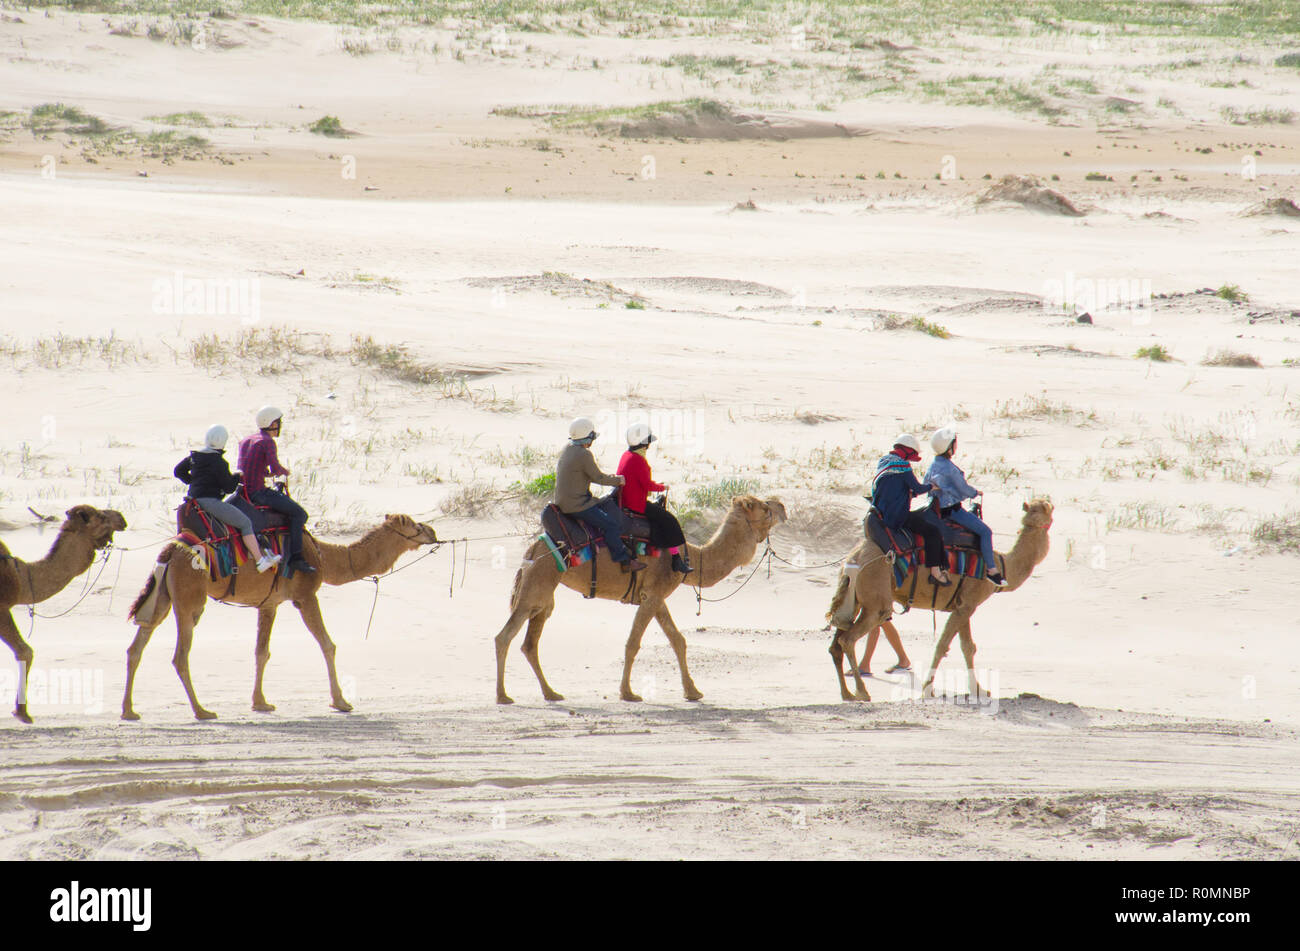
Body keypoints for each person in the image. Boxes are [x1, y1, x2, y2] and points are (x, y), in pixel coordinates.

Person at [175, 424, 280, 573]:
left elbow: (178, 471)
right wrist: (237, 476)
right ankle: (260, 560)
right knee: (245, 523)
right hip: (210, 502)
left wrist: (194, 481)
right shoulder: (219, 462)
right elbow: (229, 487)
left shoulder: (194, 456)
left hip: (193, 500)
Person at [555, 417, 645, 573]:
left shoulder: (567, 448)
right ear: (588, 438)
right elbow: (598, 478)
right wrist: (618, 480)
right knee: (611, 525)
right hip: (577, 504)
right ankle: (623, 560)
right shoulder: (584, 454)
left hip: (563, 501)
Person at [237, 405, 315, 575]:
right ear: (271, 423)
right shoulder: (267, 441)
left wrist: (267, 472)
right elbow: (275, 466)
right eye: (278, 422)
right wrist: (284, 471)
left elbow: (246, 468)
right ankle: (296, 558)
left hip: (243, 493)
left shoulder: (246, 440)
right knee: (299, 514)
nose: (279, 426)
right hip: (259, 493)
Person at [927, 428, 1007, 587]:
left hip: (934, 510)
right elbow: (962, 488)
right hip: (951, 511)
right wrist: (975, 493)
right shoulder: (949, 468)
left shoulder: (933, 465)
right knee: (985, 531)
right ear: (949, 447)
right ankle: (992, 571)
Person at [870, 433, 951, 586]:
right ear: (908, 451)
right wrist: (932, 486)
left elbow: (892, 488)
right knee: (932, 532)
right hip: (896, 516)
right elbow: (918, 488)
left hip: (881, 513)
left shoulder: (884, 461)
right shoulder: (903, 466)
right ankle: (935, 572)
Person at [617, 423, 691, 574]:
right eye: (648, 442)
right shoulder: (638, 460)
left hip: (627, 500)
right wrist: (662, 488)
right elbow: (647, 485)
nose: (649, 445)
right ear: (644, 443)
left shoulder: (626, 455)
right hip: (636, 504)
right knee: (669, 521)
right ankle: (676, 560)